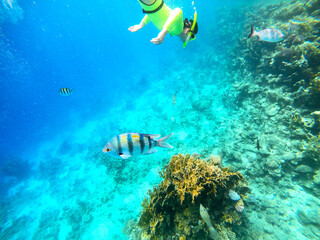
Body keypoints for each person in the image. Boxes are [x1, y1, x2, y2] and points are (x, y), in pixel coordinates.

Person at [128, 0, 198, 45]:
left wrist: (141, 25)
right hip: (152, 3)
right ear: (188, 31)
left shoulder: (173, 30)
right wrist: (163, 33)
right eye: (191, 37)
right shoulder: (179, 29)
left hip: (149, 5)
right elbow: (178, 11)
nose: (188, 41)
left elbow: (154, 16)